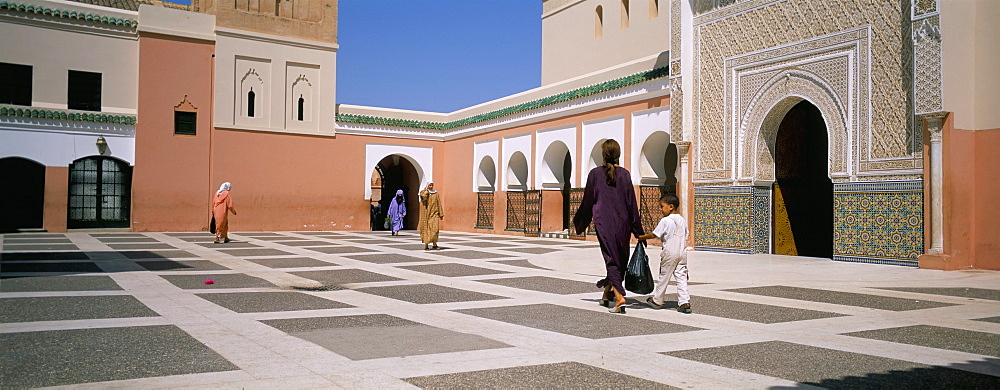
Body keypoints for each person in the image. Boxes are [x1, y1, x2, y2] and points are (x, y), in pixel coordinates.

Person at [573, 139, 644, 314]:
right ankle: (607, 292)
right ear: (618, 155)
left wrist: (581, 221)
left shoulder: (595, 174)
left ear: (603, 155)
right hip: (623, 223)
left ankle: (619, 298)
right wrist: (637, 229)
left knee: (612, 258)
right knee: (618, 257)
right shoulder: (625, 174)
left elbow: (588, 200)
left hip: (604, 223)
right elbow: (631, 203)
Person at [636, 194, 691, 313]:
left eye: (662, 206)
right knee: (681, 277)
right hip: (682, 252)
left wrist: (641, 237)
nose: (660, 209)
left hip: (669, 252)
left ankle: (657, 300)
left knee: (664, 276)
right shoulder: (682, 220)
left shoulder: (665, 220)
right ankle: (684, 301)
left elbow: (655, 234)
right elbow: (686, 234)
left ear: (671, 207)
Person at [418, 182, 444, 250]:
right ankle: (426, 245)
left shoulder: (436, 193)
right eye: (430, 185)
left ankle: (435, 244)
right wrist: (426, 191)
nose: (431, 186)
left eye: (432, 185)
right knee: (426, 229)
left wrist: (441, 214)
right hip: (427, 214)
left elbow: (439, 203)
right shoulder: (424, 192)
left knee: (435, 229)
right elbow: (423, 198)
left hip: (435, 213)